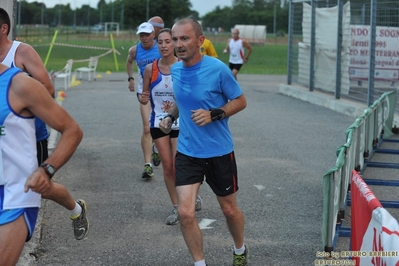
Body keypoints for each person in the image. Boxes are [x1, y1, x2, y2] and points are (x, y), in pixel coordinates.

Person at [160, 18, 248, 266]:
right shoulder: (176, 69)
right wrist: (170, 117)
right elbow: (183, 100)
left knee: (229, 210)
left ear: (200, 41)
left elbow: (240, 101)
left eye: (184, 38)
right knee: (185, 212)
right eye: (175, 39)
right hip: (188, 152)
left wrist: (214, 114)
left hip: (219, 151)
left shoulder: (218, 69)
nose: (179, 44)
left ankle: (240, 249)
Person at [0, 7, 89, 241]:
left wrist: (15, 87)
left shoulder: (21, 53)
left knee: (41, 187)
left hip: (29, 135)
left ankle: (76, 210)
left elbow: (48, 89)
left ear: (3, 29)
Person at [0, 63, 83, 266]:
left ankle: (76, 210)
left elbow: (72, 130)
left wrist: (46, 170)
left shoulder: (19, 85)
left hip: (16, 192)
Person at [140, 28, 180, 225]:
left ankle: (189, 197)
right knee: (168, 167)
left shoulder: (182, 66)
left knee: (181, 165)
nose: (164, 46)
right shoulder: (150, 69)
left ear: (174, 43)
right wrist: (143, 98)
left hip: (180, 123)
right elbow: (144, 97)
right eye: (161, 42)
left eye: (167, 42)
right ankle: (176, 207)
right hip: (158, 123)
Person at [126, 22, 162, 178]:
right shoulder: (134, 50)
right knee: (147, 127)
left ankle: (157, 148)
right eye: (142, 35)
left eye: (147, 35)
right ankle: (148, 165)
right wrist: (131, 79)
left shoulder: (161, 48)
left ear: (153, 35)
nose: (144, 38)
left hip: (162, 91)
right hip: (144, 91)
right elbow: (128, 62)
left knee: (162, 126)